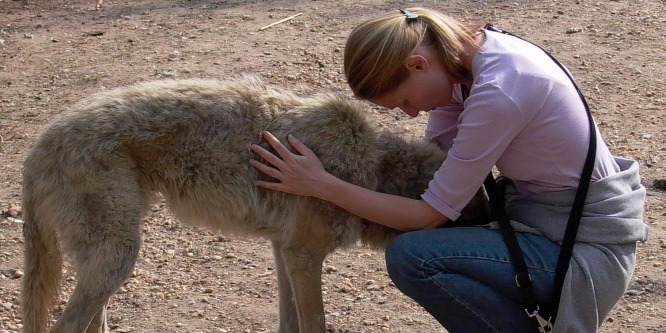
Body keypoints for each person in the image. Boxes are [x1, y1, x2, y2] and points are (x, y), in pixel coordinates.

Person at [249, 7, 649, 333]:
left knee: (414, 256)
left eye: (404, 100)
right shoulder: (470, 59)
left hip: (580, 250)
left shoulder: (501, 90)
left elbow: (428, 214)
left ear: (417, 63)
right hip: (538, 222)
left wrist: (322, 185)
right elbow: (433, 162)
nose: (410, 113)